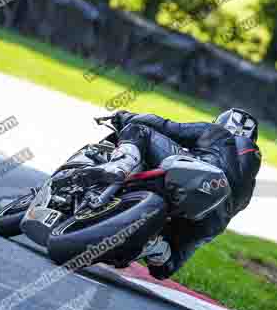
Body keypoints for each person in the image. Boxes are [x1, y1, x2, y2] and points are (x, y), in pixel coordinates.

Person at [81, 108, 262, 279]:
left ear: (221, 122)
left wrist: (124, 116)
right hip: (210, 222)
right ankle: (154, 246)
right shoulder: (249, 189)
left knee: (139, 130)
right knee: (165, 268)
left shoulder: (217, 132)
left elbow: (167, 126)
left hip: (194, 177)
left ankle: (119, 167)